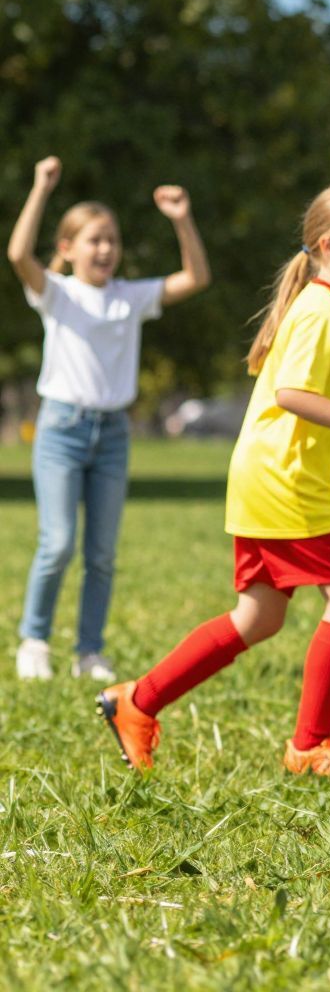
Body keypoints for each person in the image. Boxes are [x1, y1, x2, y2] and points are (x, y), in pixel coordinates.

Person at [97, 180, 330, 778]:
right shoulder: (322, 310)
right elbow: (293, 394)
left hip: (265, 476)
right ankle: (310, 747)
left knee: (260, 617)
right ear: (328, 244)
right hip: (284, 481)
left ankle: (134, 702)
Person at [9, 157, 210, 681]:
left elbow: (196, 277)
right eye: (93, 240)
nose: (105, 249)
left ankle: (89, 651)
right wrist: (40, 187)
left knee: (101, 553)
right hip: (60, 430)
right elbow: (16, 253)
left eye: (111, 240)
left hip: (114, 433)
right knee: (57, 543)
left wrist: (181, 219)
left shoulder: (130, 297)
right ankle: (34, 640)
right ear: (67, 248)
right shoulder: (56, 293)